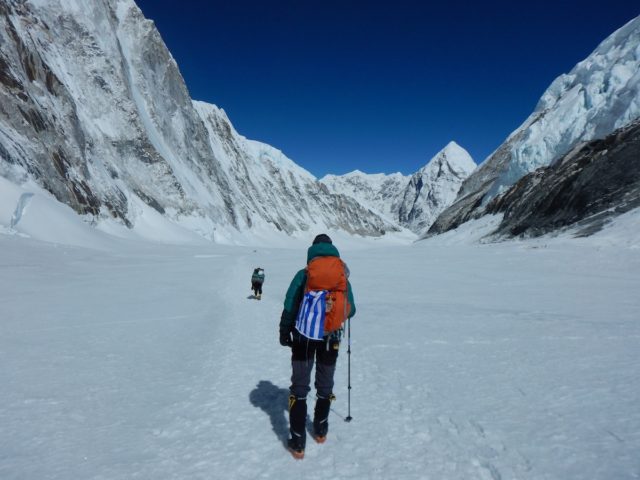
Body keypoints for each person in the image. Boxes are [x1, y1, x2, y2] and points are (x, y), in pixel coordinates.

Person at [279, 233, 356, 459]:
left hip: (303, 336)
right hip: (331, 337)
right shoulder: (342, 277)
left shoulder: (304, 275)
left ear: (312, 251)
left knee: (299, 389)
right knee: (325, 384)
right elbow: (351, 310)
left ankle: (298, 442)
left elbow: (290, 305)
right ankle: (320, 430)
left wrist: (284, 331)